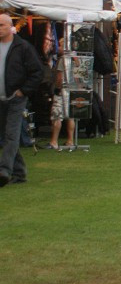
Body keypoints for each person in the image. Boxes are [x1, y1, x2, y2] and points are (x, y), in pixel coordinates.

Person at [0, 14, 44, 186]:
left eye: (1, 25)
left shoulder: (22, 47)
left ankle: (4, 170)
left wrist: (23, 91)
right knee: (5, 135)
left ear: (10, 26)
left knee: (11, 135)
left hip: (15, 98)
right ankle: (19, 173)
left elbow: (37, 72)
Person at [47, 39, 75, 150]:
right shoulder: (76, 58)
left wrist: (57, 89)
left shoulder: (63, 59)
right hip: (73, 90)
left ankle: (54, 141)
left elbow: (59, 77)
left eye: (60, 45)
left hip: (62, 90)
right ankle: (70, 140)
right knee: (70, 116)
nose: (58, 48)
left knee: (57, 115)